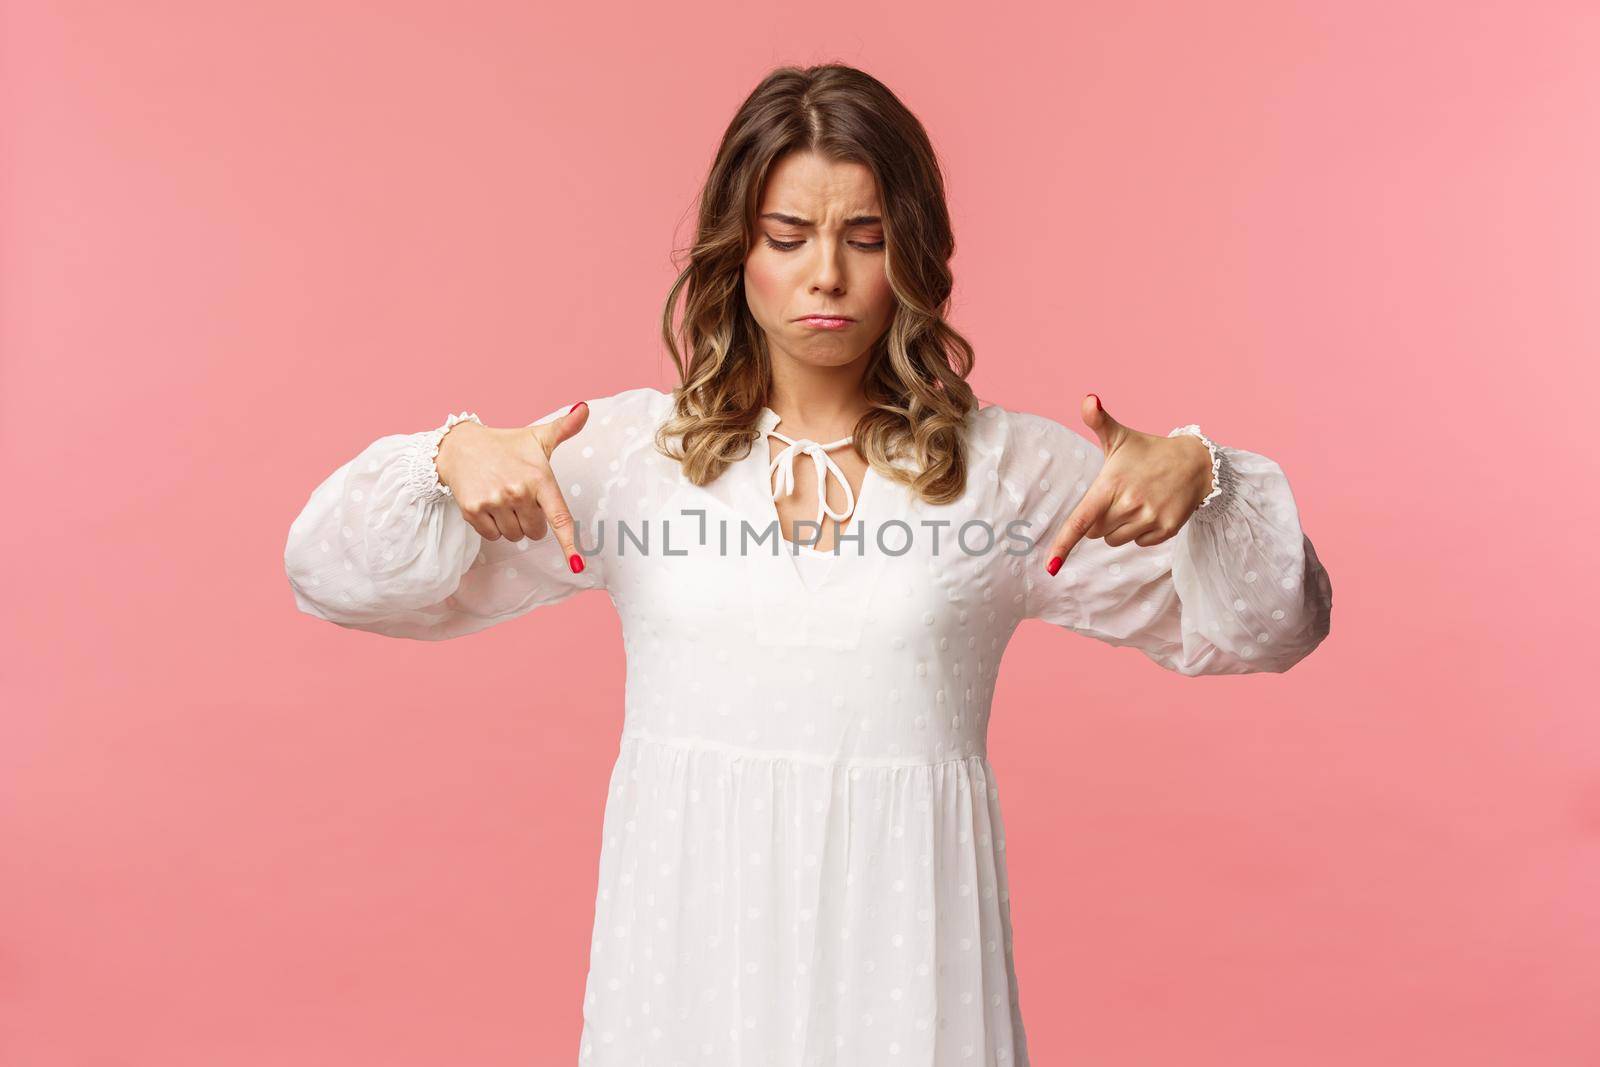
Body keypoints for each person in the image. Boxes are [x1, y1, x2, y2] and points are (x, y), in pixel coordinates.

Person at [283, 63, 1332, 1066]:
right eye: (788, 236)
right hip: (686, 963)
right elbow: (332, 575)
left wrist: (1206, 475)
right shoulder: (632, 459)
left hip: (910, 963)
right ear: (736, 250)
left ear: (912, 253)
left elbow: (1266, 627)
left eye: (864, 237)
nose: (826, 272)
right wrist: (445, 455)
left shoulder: (1004, 474)